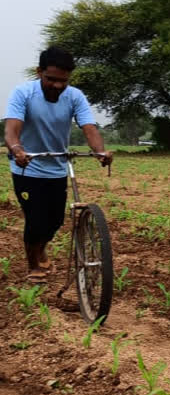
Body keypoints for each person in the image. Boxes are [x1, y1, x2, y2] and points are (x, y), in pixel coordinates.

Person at [3, 46, 113, 282]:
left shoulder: (75, 96)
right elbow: (12, 130)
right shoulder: (23, 93)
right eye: (51, 79)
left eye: (63, 81)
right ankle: (33, 263)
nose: (57, 86)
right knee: (35, 220)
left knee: (55, 220)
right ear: (39, 72)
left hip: (56, 167)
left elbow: (89, 128)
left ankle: (40, 247)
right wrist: (17, 149)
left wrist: (100, 151)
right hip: (27, 166)